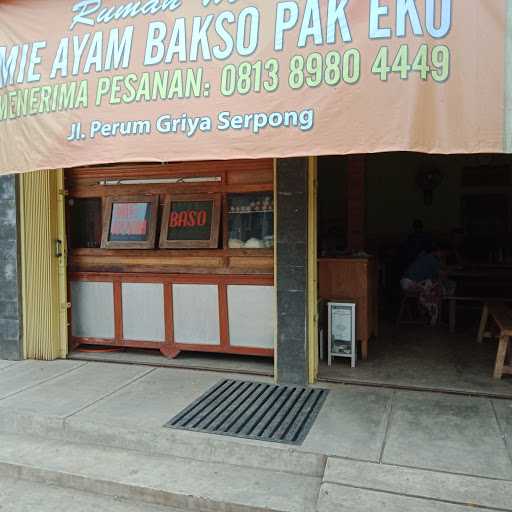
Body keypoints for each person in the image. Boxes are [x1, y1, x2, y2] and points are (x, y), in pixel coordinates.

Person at [400, 244, 455, 325]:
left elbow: (440, 271)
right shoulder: (431, 259)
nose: (444, 256)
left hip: (408, 282)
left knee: (433, 285)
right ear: (439, 251)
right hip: (410, 283)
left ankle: (430, 312)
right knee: (435, 288)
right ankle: (432, 312)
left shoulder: (425, 256)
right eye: (444, 254)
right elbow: (442, 273)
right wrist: (450, 270)